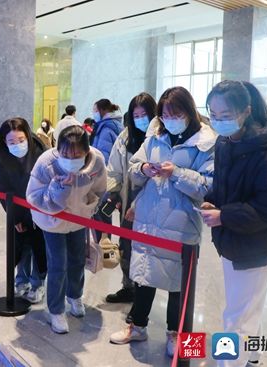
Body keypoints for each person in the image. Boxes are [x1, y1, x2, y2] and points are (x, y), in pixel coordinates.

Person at [109, 87, 216, 359]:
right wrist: (144, 169)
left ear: (189, 113)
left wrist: (177, 173)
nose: (169, 119)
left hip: (181, 224)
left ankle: (176, 334)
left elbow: (208, 185)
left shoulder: (205, 143)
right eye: (165, 114)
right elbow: (134, 168)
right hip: (148, 219)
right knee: (144, 274)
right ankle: (138, 325)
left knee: (179, 283)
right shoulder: (155, 136)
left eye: (176, 113)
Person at [202, 80, 267, 367]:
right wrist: (211, 200)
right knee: (247, 308)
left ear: (245, 112)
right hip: (236, 240)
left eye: (225, 116)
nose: (218, 122)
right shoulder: (227, 144)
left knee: (237, 318)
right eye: (213, 115)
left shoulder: (264, 154)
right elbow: (226, 188)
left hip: (256, 245)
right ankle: (252, 358)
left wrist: (224, 215)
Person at [26, 125, 106, 334]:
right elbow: (33, 196)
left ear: (86, 151)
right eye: (65, 153)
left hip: (79, 220)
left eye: (77, 154)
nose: (70, 158)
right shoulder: (46, 162)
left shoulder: (96, 161)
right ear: (58, 149)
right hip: (52, 223)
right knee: (58, 264)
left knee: (78, 260)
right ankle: (56, 309)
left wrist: (88, 205)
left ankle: (75, 296)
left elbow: (100, 188)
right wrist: (59, 188)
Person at [104, 92, 157, 310]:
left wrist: (138, 205)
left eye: (144, 114)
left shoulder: (160, 138)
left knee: (146, 254)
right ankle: (129, 287)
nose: (140, 119)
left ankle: (142, 303)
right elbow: (114, 170)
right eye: (136, 115)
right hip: (127, 203)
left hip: (152, 206)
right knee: (126, 246)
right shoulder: (125, 138)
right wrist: (114, 195)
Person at [0, 118, 48, 304]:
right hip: (17, 211)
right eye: (11, 142)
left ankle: (38, 283)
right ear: (4, 142)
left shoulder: (41, 154)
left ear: (27, 136)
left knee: (38, 248)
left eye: (20, 140)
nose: (17, 145)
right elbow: (2, 189)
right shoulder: (3, 159)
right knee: (21, 247)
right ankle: (21, 281)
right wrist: (14, 217)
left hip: (40, 210)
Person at [91, 98, 123, 164]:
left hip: (104, 170)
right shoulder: (117, 124)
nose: (94, 114)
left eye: (96, 111)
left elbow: (104, 155)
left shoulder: (105, 129)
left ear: (103, 110)